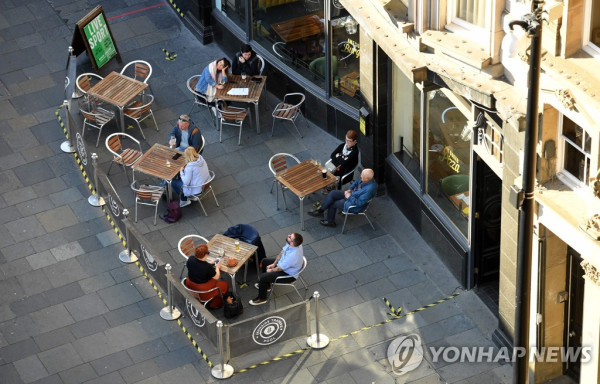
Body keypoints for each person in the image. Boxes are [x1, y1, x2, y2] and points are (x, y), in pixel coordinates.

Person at [308, 168, 377, 227]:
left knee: (333, 203)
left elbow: (359, 203)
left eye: (362, 177)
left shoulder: (369, 190)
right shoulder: (366, 179)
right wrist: (350, 189)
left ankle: (330, 222)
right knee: (333, 193)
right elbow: (356, 183)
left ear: (367, 179)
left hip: (353, 205)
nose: (360, 177)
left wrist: (349, 196)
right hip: (351, 195)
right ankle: (320, 211)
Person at [249, 232, 304, 306]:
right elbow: (282, 253)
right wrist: (273, 264)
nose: (288, 235)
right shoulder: (294, 244)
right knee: (265, 261)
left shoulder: (293, 256)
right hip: (284, 265)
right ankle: (267, 286)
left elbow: (280, 268)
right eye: (290, 235)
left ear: (292, 243)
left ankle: (262, 298)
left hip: (288, 275)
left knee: (263, 277)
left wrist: (271, 270)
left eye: (290, 237)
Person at [184, 244, 229, 309]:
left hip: (190, 283)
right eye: (208, 253)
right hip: (203, 288)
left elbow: (198, 266)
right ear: (205, 255)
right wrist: (217, 267)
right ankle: (215, 302)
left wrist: (210, 263)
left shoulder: (190, 259)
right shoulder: (207, 267)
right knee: (225, 285)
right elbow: (216, 277)